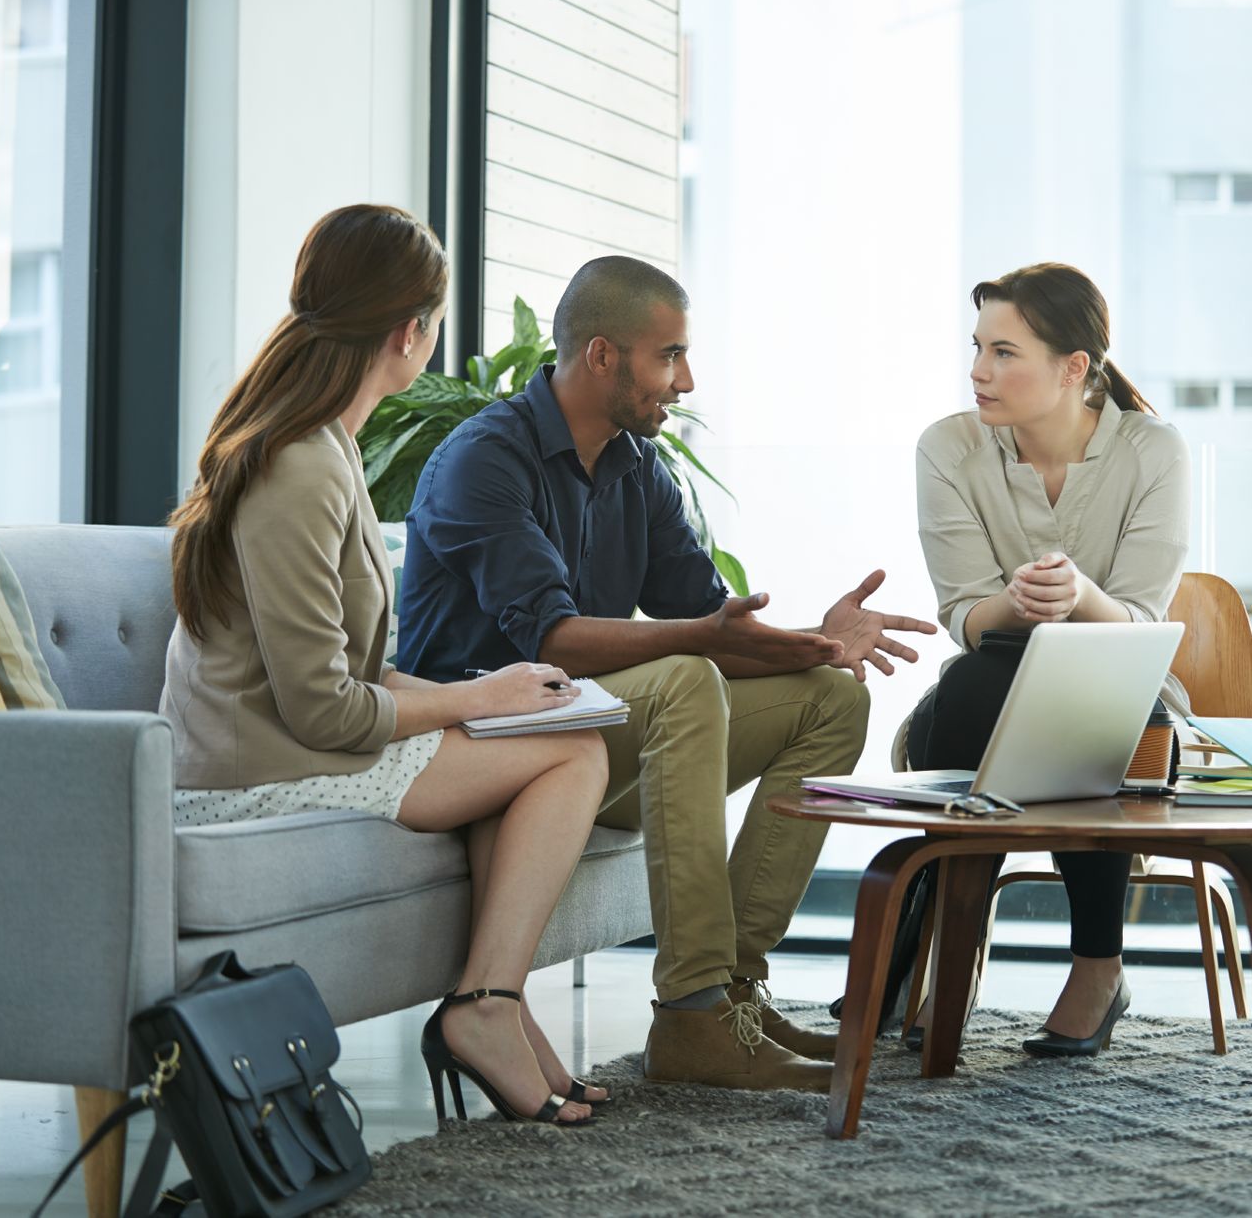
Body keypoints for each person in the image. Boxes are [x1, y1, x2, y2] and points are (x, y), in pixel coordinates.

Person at [397, 255, 938, 1091]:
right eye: (670, 356)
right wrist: (707, 640)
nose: (685, 381)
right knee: (686, 680)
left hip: (580, 742)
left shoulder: (636, 467)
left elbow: (711, 621)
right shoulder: (484, 459)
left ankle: (731, 998)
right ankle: (688, 1018)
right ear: (604, 355)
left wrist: (819, 642)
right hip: (483, 743)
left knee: (830, 700)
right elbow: (557, 642)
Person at [160, 204, 610, 1126]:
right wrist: (479, 696)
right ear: (411, 331)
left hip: (289, 744)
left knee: (536, 737)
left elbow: (356, 670)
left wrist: (489, 699)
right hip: (254, 776)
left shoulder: (324, 447)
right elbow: (325, 708)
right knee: (575, 753)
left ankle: (499, 1002)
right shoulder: (300, 465)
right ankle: (484, 1012)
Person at [913, 261, 1192, 1057]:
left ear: (1074, 369)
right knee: (980, 684)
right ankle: (946, 951)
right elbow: (966, 614)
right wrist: (1018, 600)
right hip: (988, 679)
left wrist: (1077, 598)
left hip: (1126, 691)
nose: (978, 371)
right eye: (977, 348)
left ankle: (1092, 968)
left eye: (1004, 353)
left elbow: (1138, 622)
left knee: (1074, 699)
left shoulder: (1155, 452)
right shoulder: (948, 448)